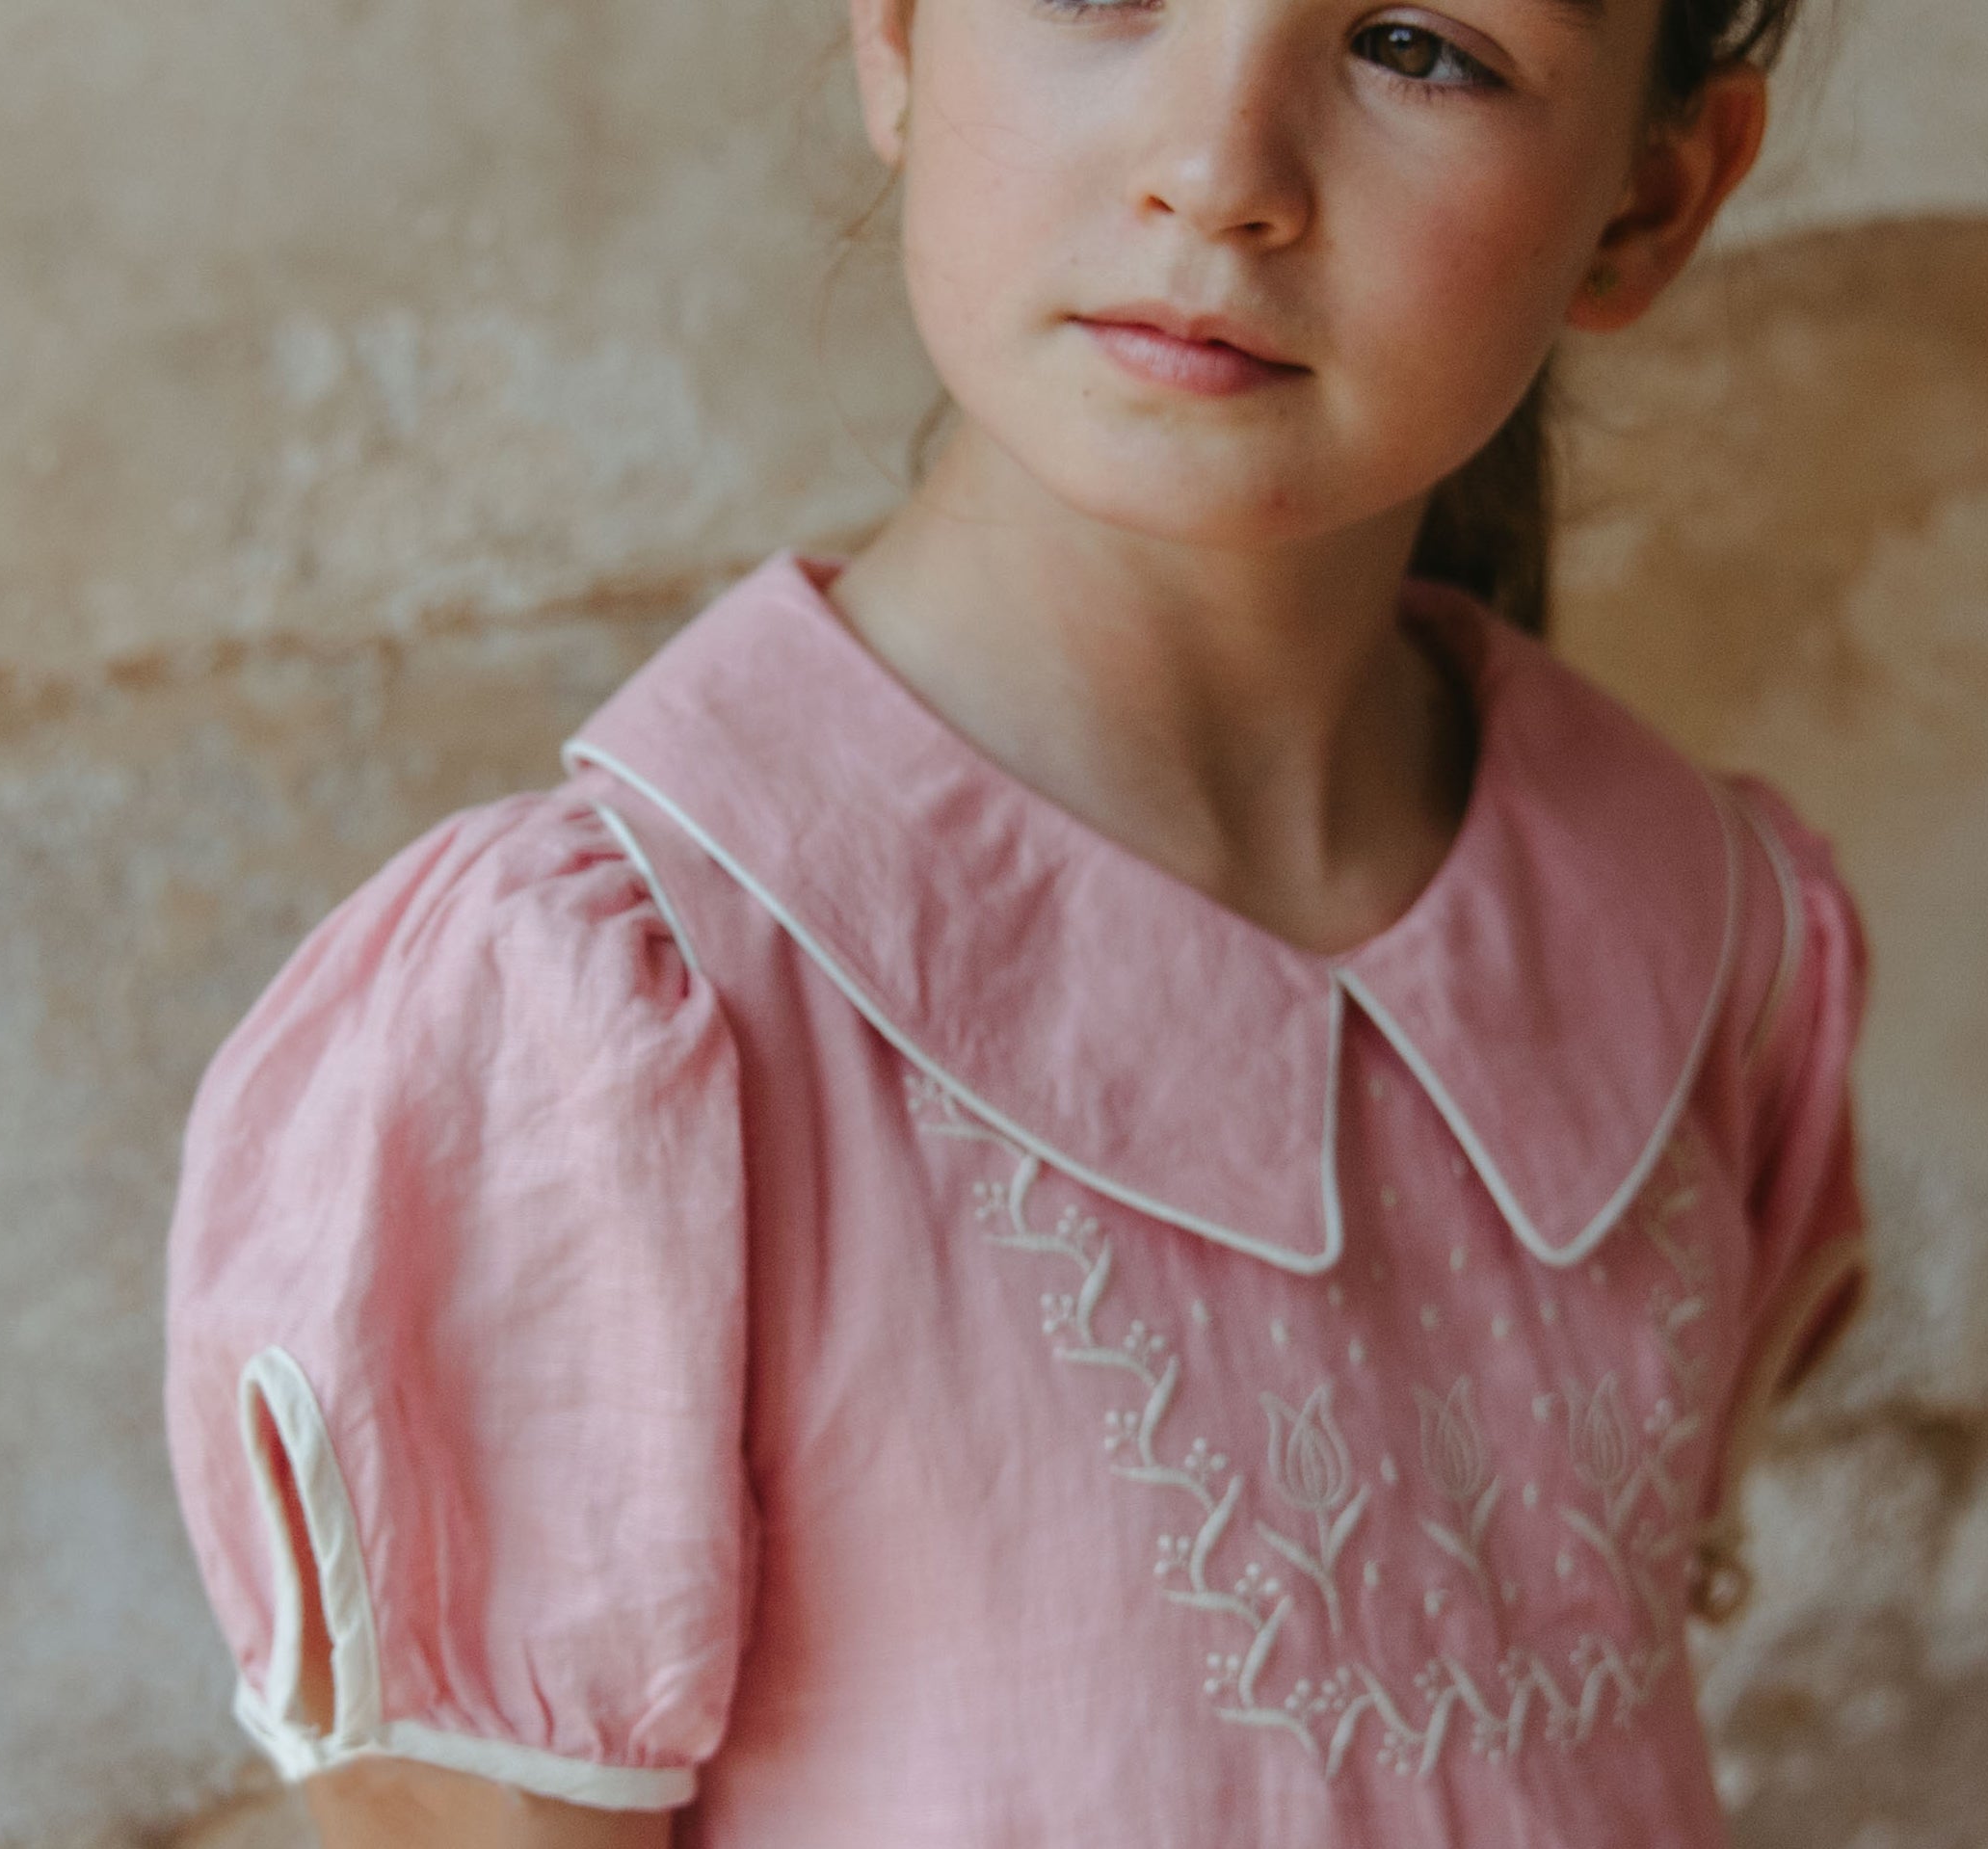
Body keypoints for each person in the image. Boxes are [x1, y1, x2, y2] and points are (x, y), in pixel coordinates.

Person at [161, 0, 1871, 1838]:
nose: (1217, 174)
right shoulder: (610, 1035)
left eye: (1415, 44)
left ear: (1652, 197)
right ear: (897, 34)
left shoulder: (1709, 939)